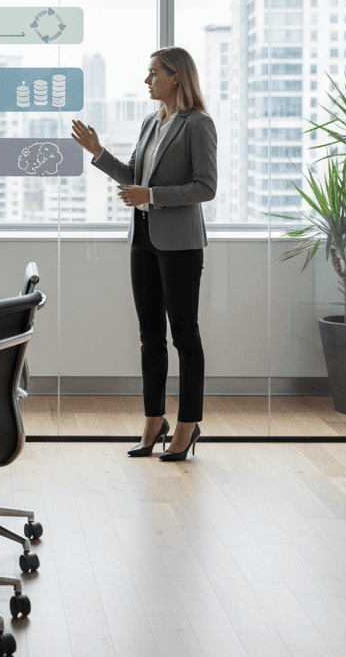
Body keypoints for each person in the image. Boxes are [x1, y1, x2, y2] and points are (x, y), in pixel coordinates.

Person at [71, 47, 216, 462]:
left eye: (153, 73)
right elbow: (134, 176)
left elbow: (206, 187)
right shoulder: (152, 121)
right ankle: (155, 420)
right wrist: (98, 153)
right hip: (144, 239)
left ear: (175, 77)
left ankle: (188, 425)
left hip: (182, 244)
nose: (146, 81)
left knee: (184, 334)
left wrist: (149, 196)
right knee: (149, 335)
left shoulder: (198, 125)